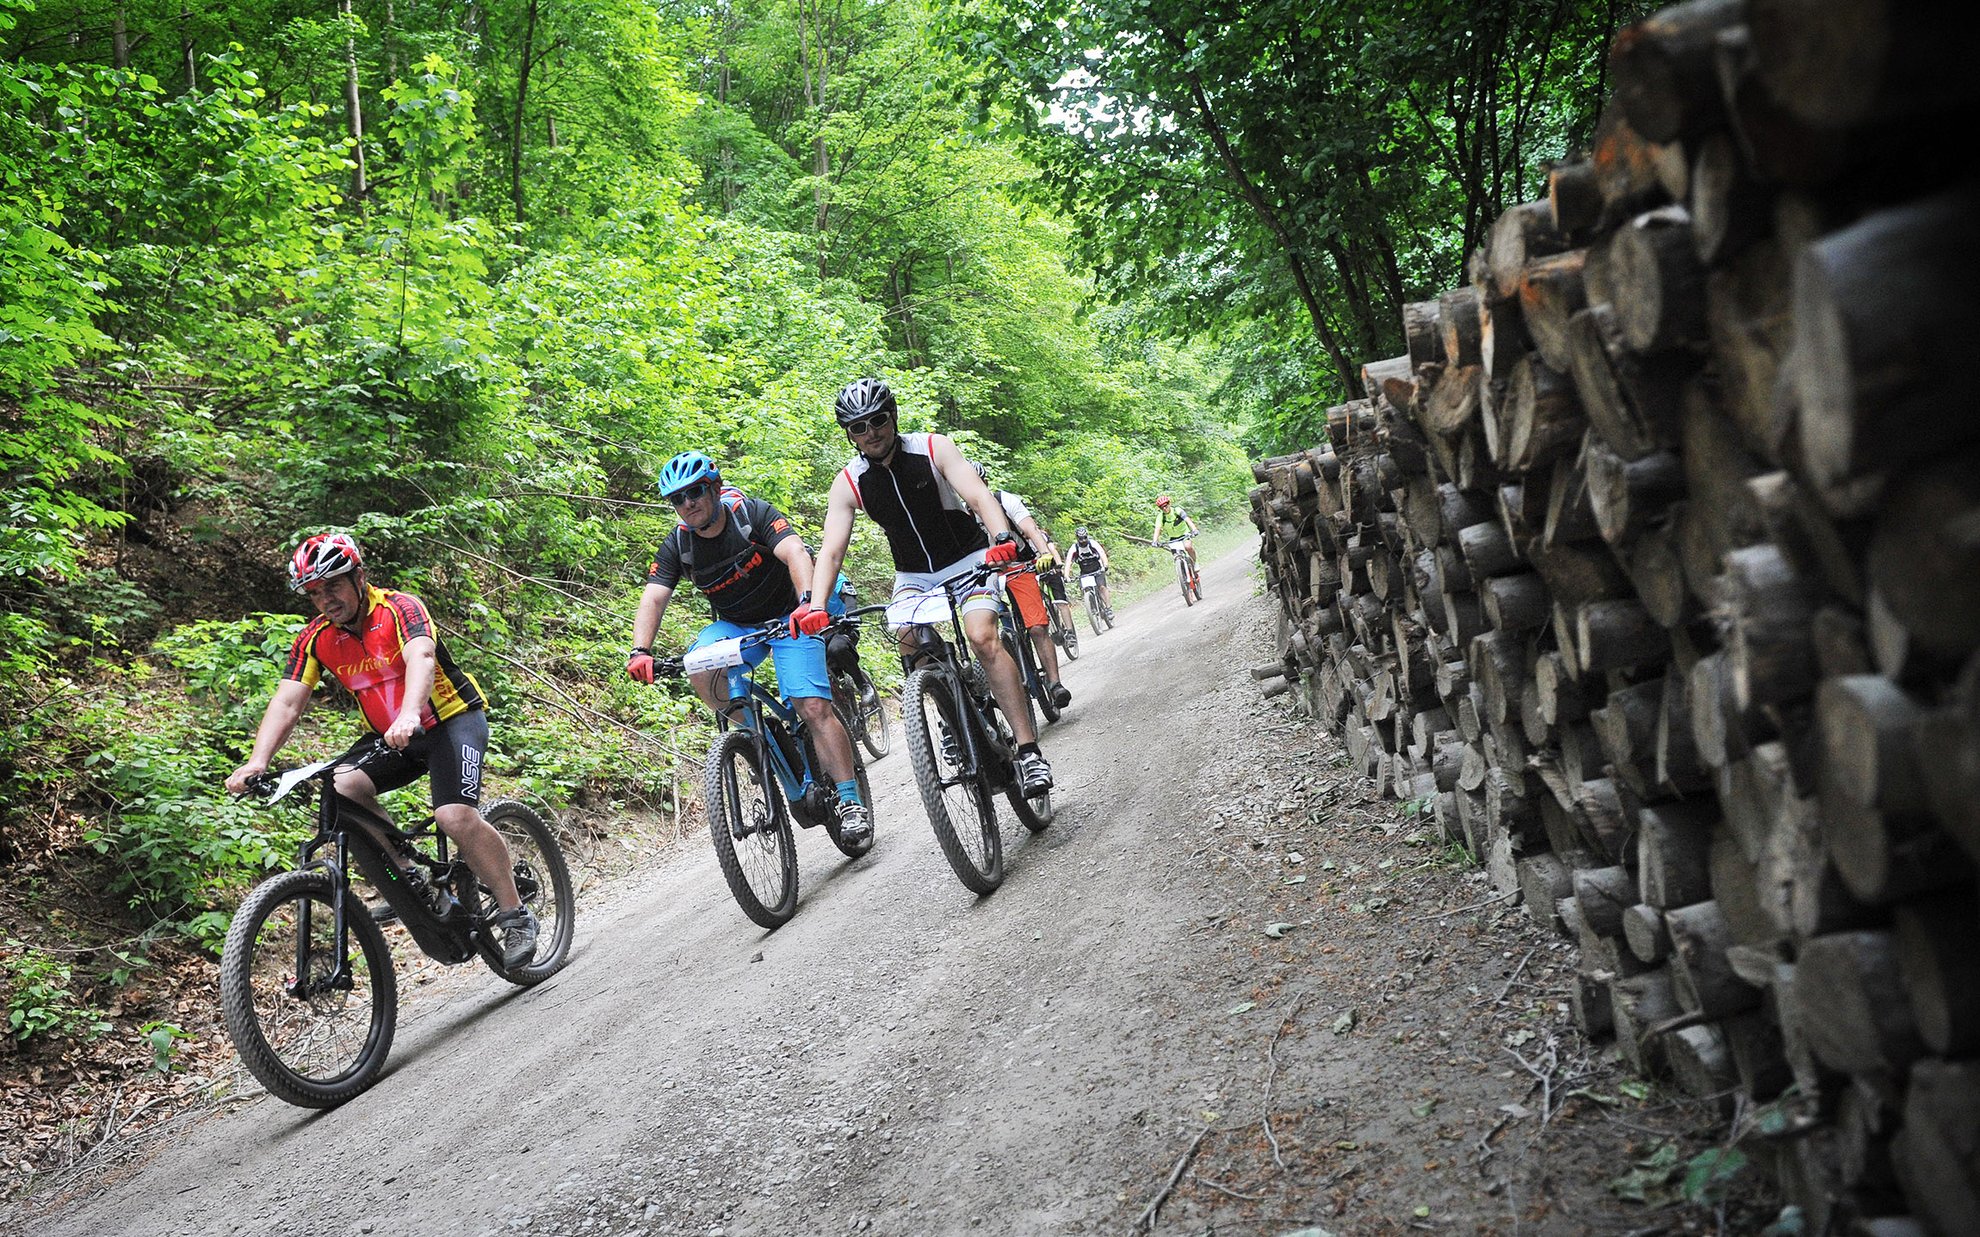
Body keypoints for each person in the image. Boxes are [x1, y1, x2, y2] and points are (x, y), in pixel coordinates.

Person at [226, 533, 538, 968]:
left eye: (332, 585)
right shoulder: (316, 638)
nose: (325, 599)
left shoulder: (399, 608)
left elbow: (422, 658)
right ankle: (412, 879)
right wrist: (258, 761)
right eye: (314, 593)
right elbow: (288, 701)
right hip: (389, 735)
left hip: (449, 720)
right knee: (341, 786)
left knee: (454, 817)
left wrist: (410, 713)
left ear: (358, 577)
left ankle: (514, 914)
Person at [800, 378, 1053, 795]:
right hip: (915, 575)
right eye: (858, 428)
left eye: (878, 421)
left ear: (893, 416)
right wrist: (816, 604)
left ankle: (1029, 753)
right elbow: (830, 551)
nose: (871, 433)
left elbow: (978, 495)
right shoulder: (850, 481)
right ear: (849, 435)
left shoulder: (934, 447)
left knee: (982, 636)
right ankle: (951, 712)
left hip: (970, 558)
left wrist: (1002, 538)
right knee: (909, 641)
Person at [625, 451, 871, 843]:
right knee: (698, 668)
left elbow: (794, 552)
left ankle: (849, 800)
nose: (688, 503)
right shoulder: (678, 544)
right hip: (737, 626)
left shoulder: (750, 515)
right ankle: (756, 738)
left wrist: (809, 601)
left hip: (790, 615)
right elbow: (654, 597)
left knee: (811, 706)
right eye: (677, 498)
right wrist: (640, 651)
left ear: (716, 488)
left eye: (695, 492)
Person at [971, 462, 1070, 710]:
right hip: (988, 576)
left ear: (985, 482)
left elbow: (1030, 529)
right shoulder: (962, 513)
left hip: (1019, 567)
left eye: (979, 483)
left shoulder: (1005, 500)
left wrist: (1044, 553)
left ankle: (1055, 683)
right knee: (985, 635)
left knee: (1036, 627)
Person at [1069, 526, 1113, 619]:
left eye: (1085, 538)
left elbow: (1102, 554)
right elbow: (1069, 562)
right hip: (1085, 572)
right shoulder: (1074, 548)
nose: (1083, 540)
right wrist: (1066, 576)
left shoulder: (1093, 544)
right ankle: (1091, 605)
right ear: (1077, 538)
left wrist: (1105, 565)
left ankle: (1108, 608)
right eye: (1080, 539)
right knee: (1085, 589)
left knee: (1101, 587)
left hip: (1098, 569)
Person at [1152, 494, 1200, 567]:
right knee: (1176, 555)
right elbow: (1157, 529)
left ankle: (1195, 563)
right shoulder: (1161, 516)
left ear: (1169, 503)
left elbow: (1187, 520)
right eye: (1162, 507)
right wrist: (1155, 541)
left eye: (1165, 505)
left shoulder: (1177, 510)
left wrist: (1194, 529)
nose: (1164, 508)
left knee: (1188, 547)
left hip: (1184, 534)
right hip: (1173, 538)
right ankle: (1182, 572)